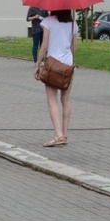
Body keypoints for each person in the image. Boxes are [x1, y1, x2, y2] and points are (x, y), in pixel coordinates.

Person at [34, 9, 78, 147]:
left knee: (52, 101)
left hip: (53, 65)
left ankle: (58, 135)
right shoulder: (73, 24)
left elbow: (44, 46)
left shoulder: (48, 21)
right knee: (66, 100)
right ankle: (64, 135)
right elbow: (73, 48)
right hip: (67, 65)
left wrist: (37, 65)